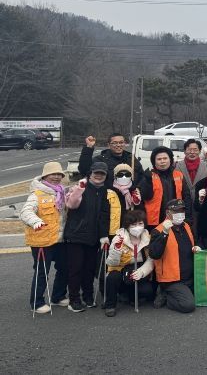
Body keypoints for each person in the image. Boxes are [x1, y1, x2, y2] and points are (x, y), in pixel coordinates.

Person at [20, 161, 69, 313]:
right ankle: (37, 302)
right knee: (42, 271)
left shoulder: (62, 192)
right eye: (53, 174)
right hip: (42, 240)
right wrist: (36, 221)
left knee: (65, 267)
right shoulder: (36, 194)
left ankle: (58, 296)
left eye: (59, 174)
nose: (56, 177)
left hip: (60, 240)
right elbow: (25, 212)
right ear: (45, 176)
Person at [63, 161, 111, 312]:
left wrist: (103, 235)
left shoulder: (105, 191)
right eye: (96, 173)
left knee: (89, 269)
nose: (98, 176)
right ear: (90, 173)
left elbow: (104, 216)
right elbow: (71, 204)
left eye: (102, 173)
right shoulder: (80, 187)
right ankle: (74, 299)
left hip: (93, 237)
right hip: (75, 235)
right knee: (75, 269)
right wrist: (79, 189)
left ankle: (88, 296)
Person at [149, 200, 200, 313]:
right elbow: (154, 254)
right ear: (168, 213)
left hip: (190, 276)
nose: (180, 214)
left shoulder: (186, 226)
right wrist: (164, 233)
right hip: (172, 280)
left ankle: (175, 293)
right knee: (188, 305)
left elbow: (196, 241)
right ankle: (166, 295)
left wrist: (197, 247)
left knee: (204, 296)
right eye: (176, 211)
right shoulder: (158, 231)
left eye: (182, 210)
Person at [103, 209, 154, 317]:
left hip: (137, 269)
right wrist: (116, 250)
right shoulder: (119, 238)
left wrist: (141, 272)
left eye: (140, 223)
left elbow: (151, 260)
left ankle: (130, 297)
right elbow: (111, 262)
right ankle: (110, 305)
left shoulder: (148, 238)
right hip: (120, 270)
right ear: (127, 226)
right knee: (113, 277)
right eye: (133, 224)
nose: (137, 227)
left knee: (148, 290)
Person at [139, 146, 191, 229]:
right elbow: (145, 197)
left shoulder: (179, 175)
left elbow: (186, 197)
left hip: (176, 218)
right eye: (159, 159)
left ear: (170, 160)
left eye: (165, 158)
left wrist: (187, 216)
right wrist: (148, 182)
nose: (162, 161)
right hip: (154, 221)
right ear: (154, 162)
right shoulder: (149, 176)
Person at [78, 133, 143, 189]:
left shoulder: (131, 159)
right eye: (115, 143)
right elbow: (84, 170)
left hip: (129, 197)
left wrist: (137, 189)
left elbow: (141, 176)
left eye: (121, 142)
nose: (118, 145)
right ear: (109, 145)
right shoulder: (101, 160)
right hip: (108, 196)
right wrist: (89, 147)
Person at [110, 164, 142, 228]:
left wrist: (137, 202)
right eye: (120, 175)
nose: (124, 177)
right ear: (115, 176)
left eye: (127, 175)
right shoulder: (110, 191)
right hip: (114, 226)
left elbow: (140, 211)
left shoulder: (135, 190)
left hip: (131, 226)